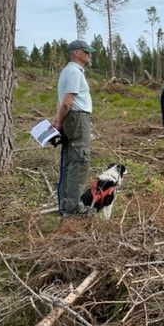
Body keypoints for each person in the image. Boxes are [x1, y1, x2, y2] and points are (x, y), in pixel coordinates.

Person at [52, 40, 97, 217]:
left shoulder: (67, 72)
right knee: (79, 161)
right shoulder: (74, 72)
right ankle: (73, 208)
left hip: (72, 118)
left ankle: (66, 206)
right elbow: (67, 102)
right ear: (76, 52)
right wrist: (60, 123)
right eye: (87, 52)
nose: (90, 55)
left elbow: (62, 102)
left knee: (71, 161)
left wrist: (58, 121)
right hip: (77, 118)